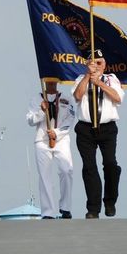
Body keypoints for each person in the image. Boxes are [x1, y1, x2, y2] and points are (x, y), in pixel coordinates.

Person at [72, 49, 125, 219]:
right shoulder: (81, 79)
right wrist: (88, 77)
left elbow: (118, 98)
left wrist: (100, 83)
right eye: (92, 63)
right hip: (85, 128)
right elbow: (78, 96)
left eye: (99, 63)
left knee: (110, 164)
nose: (96, 66)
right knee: (89, 167)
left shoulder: (111, 79)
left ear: (105, 65)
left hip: (107, 128)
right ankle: (93, 208)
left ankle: (110, 201)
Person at [26, 80, 75, 219]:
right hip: (42, 139)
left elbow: (71, 119)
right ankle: (48, 212)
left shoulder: (66, 98)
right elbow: (30, 120)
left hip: (61, 139)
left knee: (67, 170)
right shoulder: (36, 99)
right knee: (44, 176)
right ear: (45, 81)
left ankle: (65, 207)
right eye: (48, 80)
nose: (51, 82)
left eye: (54, 80)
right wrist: (41, 112)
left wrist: (57, 133)